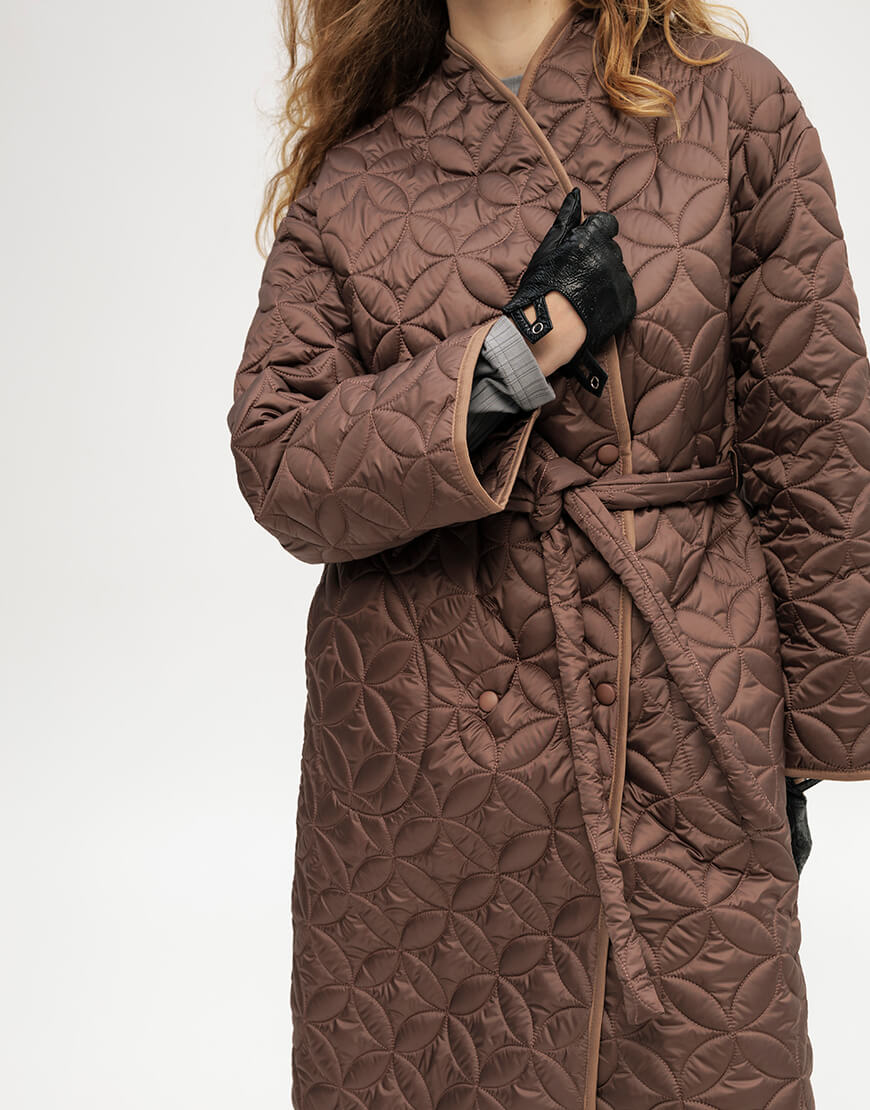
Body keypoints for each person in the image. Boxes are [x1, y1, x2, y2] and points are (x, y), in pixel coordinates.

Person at [226, 1, 870, 1106]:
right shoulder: (362, 170)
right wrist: (519, 351)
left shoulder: (731, 103)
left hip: (675, 721)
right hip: (421, 757)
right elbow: (280, 460)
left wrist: (803, 752)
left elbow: (814, 439)